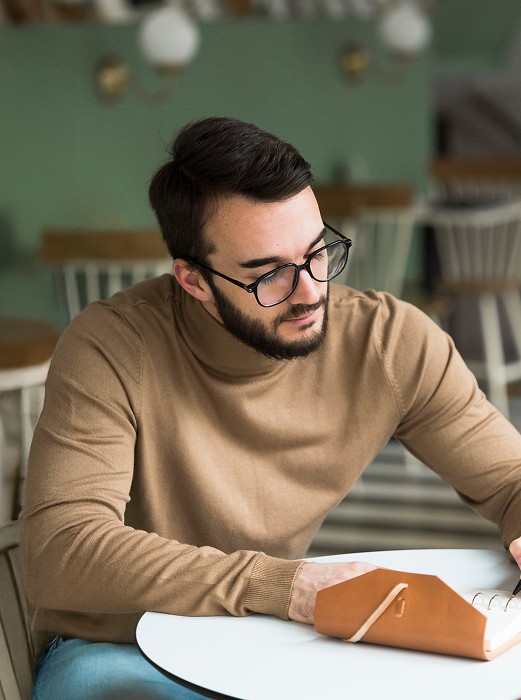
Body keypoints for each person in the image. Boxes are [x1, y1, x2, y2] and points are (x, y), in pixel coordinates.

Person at [22, 117, 521, 699]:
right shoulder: (110, 347)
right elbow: (64, 548)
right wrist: (282, 586)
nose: (310, 291)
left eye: (317, 254)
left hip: (264, 641)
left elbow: (511, 477)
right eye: (270, 274)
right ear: (193, 280)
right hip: (118, 651)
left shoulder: (390, 344)